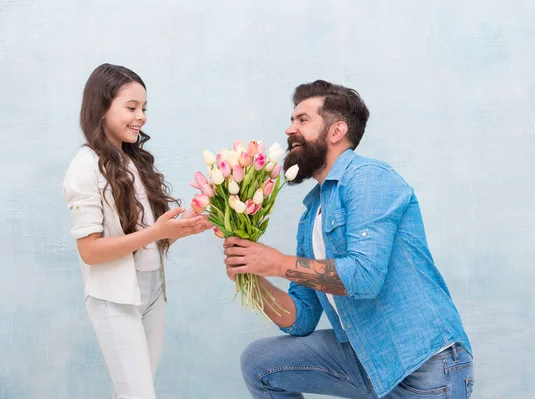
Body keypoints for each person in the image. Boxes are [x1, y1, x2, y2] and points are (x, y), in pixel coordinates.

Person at [223, 80, 474, 398]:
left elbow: (365, 277)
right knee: (260, 362)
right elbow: (300, 319)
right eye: (291, 120)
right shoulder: (312, 213)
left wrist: (277, 262)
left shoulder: (369, 178)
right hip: (367, 359)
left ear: (336, 131)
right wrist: (254, 276)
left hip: (423, 366)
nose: (289, 130)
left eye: (302, 120)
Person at [63, 63, 212, 398]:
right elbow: (90, 251)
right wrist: (156, 233)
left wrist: (194, 214)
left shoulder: (133, 162)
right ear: (101, 107)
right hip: (115, 300)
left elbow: (152, 238)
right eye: (131, 108)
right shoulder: (84, 167)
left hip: (152, 293)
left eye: (143, 108)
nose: (141, 116)